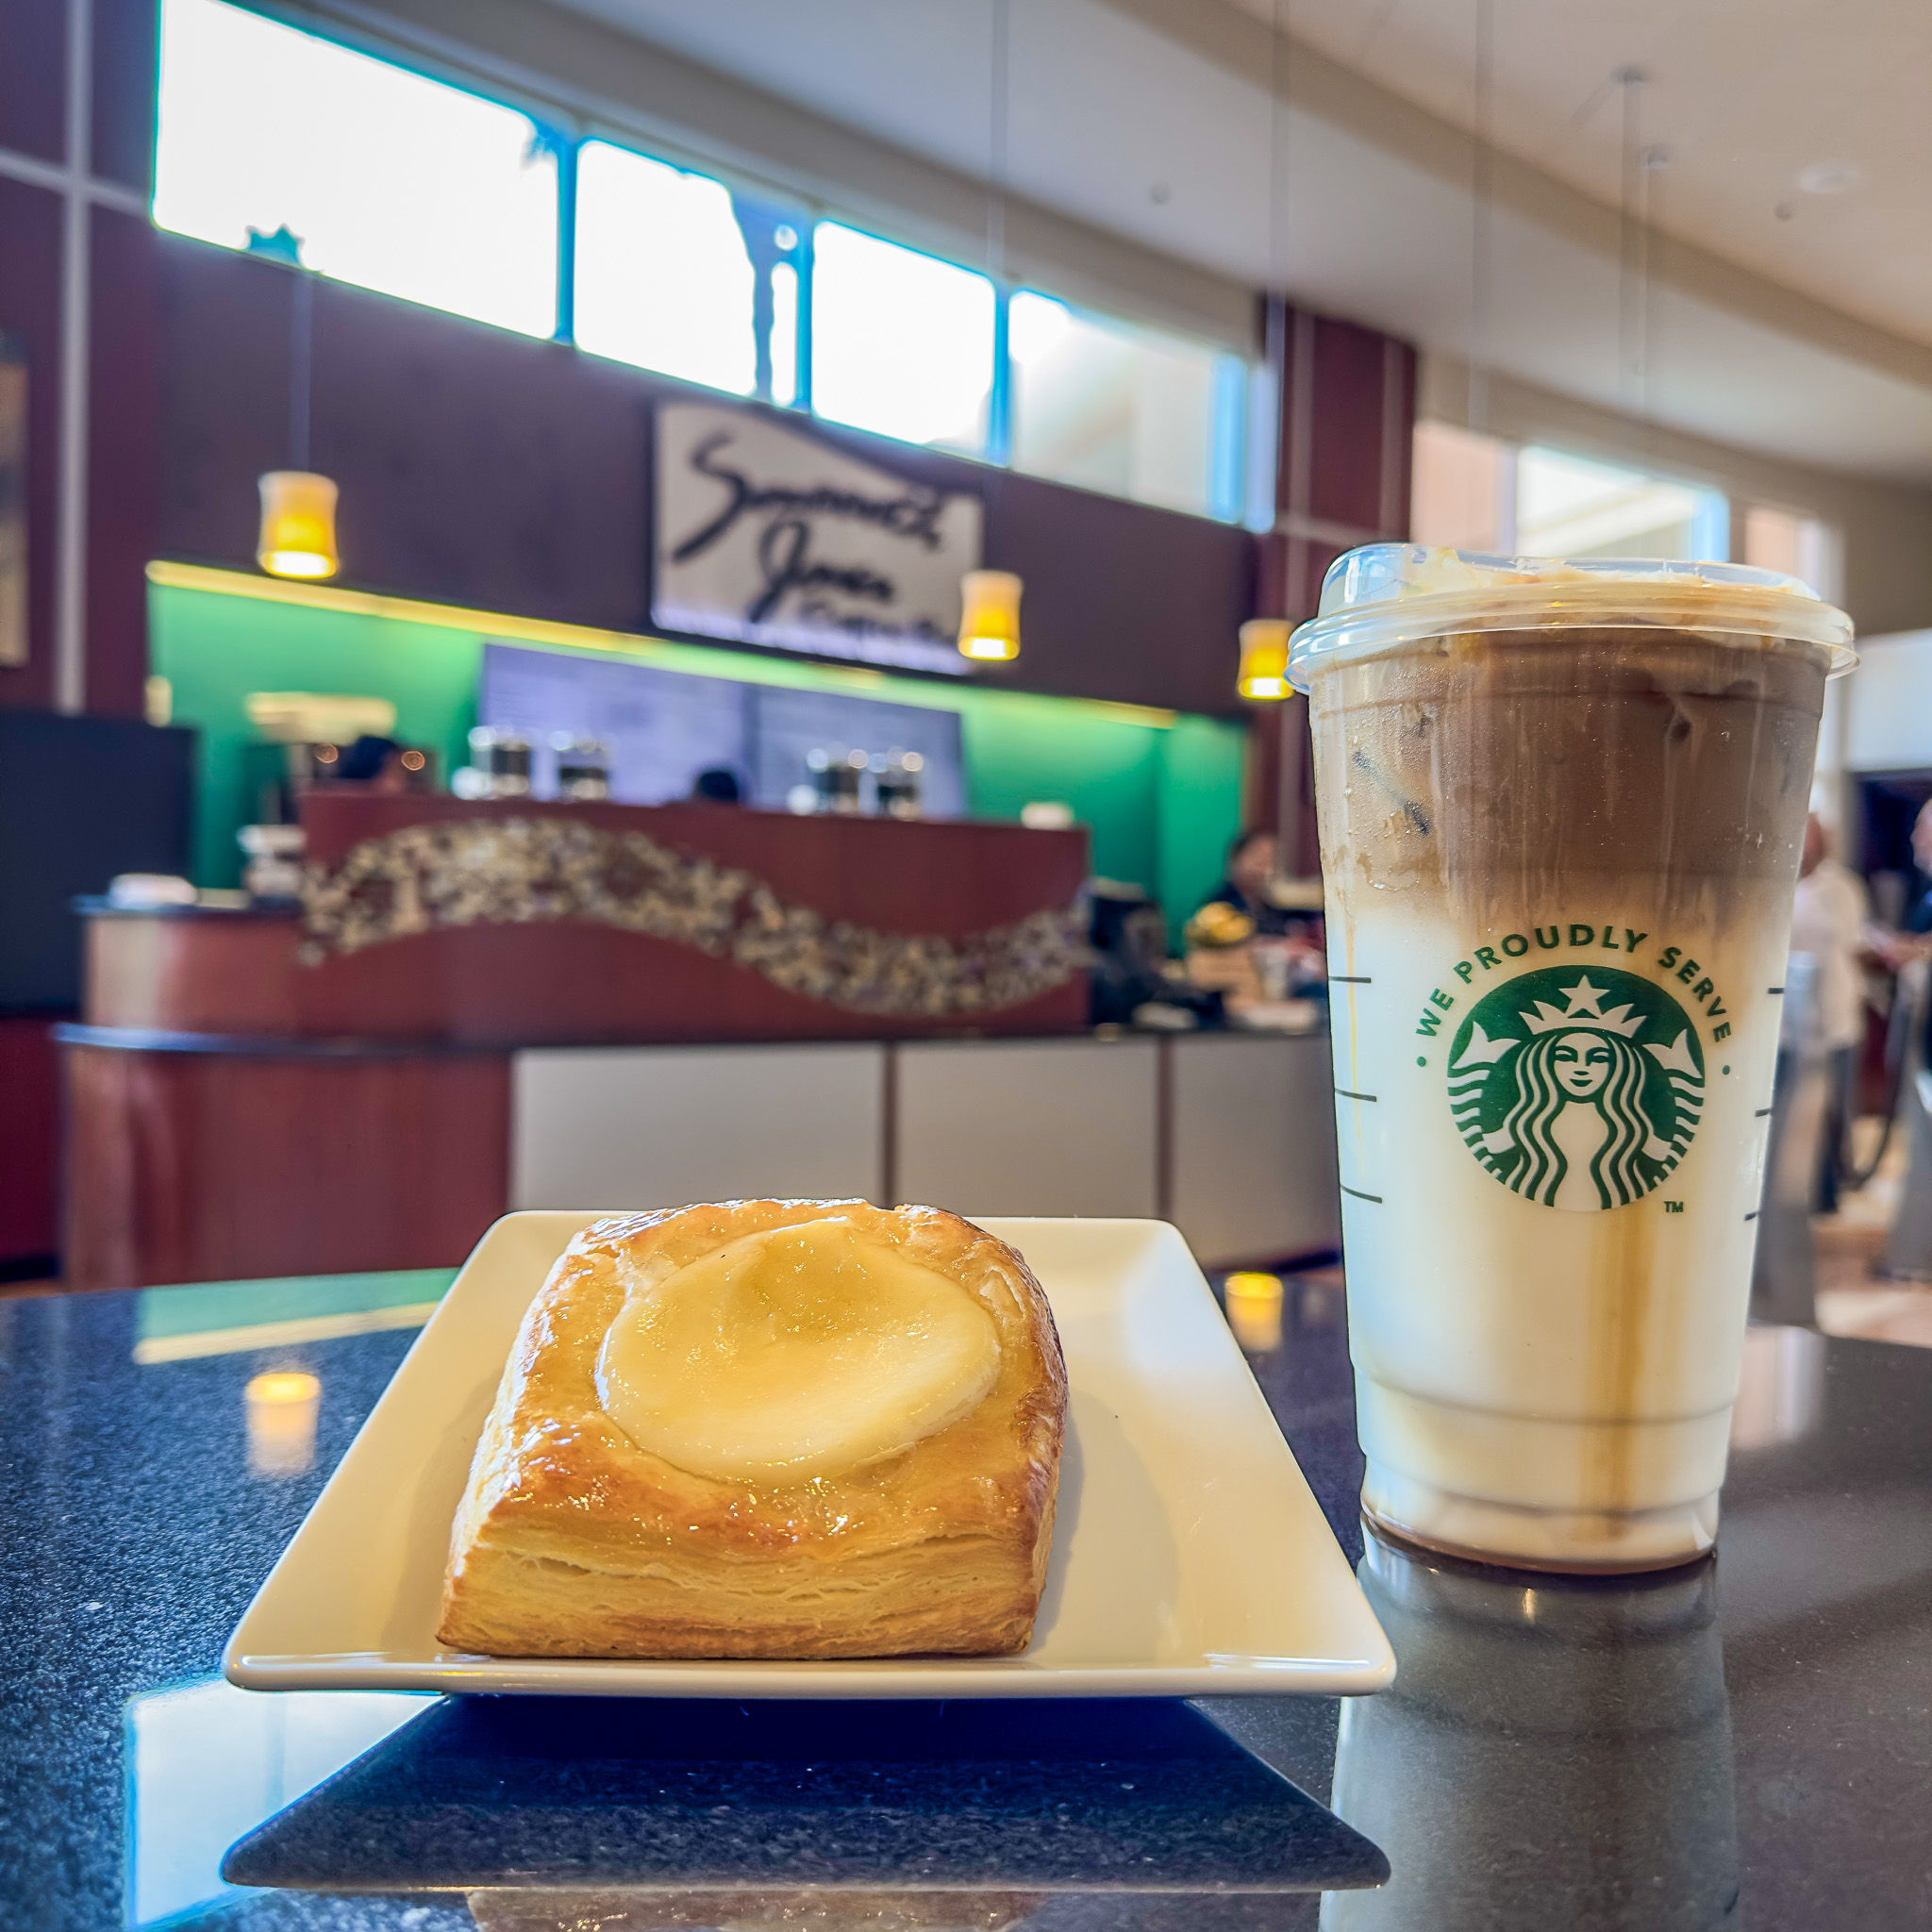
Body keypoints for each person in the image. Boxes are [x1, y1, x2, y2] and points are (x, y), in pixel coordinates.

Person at [1790, 811, 1872, 1212]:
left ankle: (1828, 1192)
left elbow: (1856, 942)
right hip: (1789, 1023)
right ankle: (1793, 1194)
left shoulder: (1842, 886)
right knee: (1795, 1112)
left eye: (1811, 838)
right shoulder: (1776, 884)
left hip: (1836, 1014)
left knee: (1834, 1110)